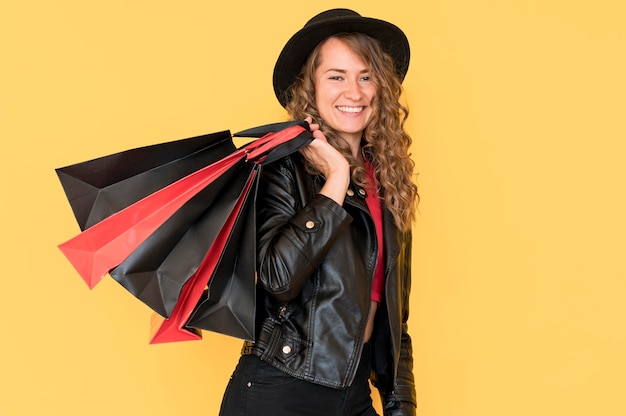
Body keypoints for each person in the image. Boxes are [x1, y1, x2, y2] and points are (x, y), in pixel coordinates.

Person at [220, 9, 418, 416]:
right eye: (337, 76)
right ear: (310, 87)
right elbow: (277, 277)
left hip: (353, 389)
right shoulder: (282, 167)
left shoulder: (388, 180)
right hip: (282, 387)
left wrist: (401, 407)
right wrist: (336, 178)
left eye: (366, 76)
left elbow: (396, 320)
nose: (355, 91)